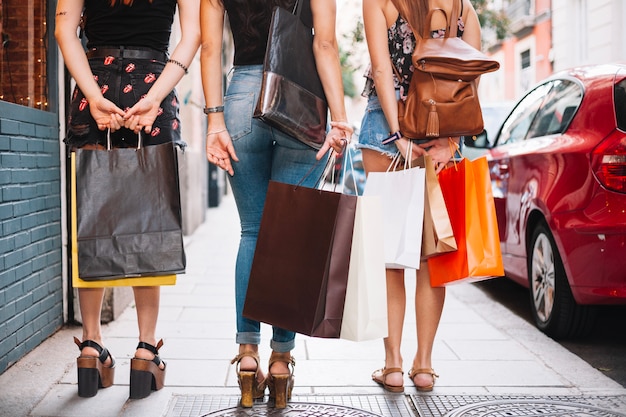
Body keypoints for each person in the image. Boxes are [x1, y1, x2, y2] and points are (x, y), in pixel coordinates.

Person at [199, 0, 352, 408]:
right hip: (300, 97)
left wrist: (214, 122)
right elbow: (325, 44)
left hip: (242, 98)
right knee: (289, 238)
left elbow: (211, 50)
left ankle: (247, 356)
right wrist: (339, 118)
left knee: (253, 231)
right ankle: (282, 359)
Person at [55, 0, 200, 399]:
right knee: (148, 221)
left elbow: (64, 31)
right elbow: (193, 36)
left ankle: (90, 344)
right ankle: (146, 348)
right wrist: (155, 97)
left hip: (94, 84)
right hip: (153, 82)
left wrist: (92, 94)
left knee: (93, 218)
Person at [359, 0, 481, 392]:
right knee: (433, 252)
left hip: (386, 126)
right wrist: (450, 140)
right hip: (443, 127)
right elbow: (471, 80)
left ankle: (392, 364)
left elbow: (381, 69)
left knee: (390, 257)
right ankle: (424, 365)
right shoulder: (464, 9)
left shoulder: (380, 3)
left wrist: (399, 137)